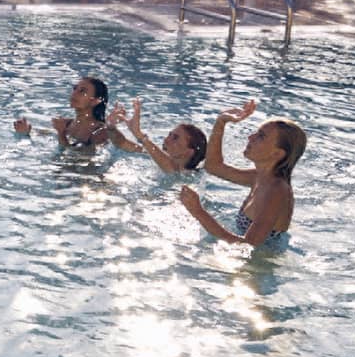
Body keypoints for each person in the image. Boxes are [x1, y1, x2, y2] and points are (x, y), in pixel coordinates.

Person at [179, 100, 308, 246]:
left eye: (261, 136)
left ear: (277, 154)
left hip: (261, 264)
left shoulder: (277, 191)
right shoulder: (259, 177)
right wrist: (221, 122)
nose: (250, 137)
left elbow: (248, 245)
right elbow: (213, 166)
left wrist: (197, 211)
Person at [105, 98, 208, 172]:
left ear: (189, 152)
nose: (167, 139)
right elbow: (121, 143)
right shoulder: (153, 155)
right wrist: (111, 127)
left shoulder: (188, 175)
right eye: (170, 134)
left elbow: (170, 166)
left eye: (175, 138)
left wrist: (139, 134)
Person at [13, 77, 115, 148]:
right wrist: (26, 132)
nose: (74, 93)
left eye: (82, 91)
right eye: (75, 89)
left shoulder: (101, 131)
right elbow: (49, 135)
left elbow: (82, 157)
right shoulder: (67, 124)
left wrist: (61, 134)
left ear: (95, 101)